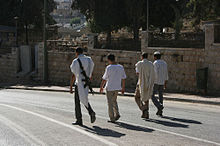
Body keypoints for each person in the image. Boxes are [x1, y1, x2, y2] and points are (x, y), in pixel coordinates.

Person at [70, 48, 96, 126]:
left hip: (79, 83)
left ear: (76, 53)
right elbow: (91, 71)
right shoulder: (89, 60)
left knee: (78, 101)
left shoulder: (75, 61)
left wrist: (71, 86)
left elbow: (74, 74)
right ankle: (90, 112)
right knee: (84, 98)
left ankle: (79, 119)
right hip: (86, 82)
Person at [100, 54, 126, 123]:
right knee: (114, 101)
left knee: (110, 103)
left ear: (109, 60)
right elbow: (123, 78)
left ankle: (112, 118)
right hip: (117, 87)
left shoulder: (109, 67)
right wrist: (123, 88)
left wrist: (101, 87)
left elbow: (104, 78)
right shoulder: (121, 67)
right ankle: (117, 114)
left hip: (110, 87)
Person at [135, 53, 155, 119]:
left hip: (140, 83)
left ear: (142, 57)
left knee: (137, 97)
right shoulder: (151, 64)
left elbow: (137, 73)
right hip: (149, 83)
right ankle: (146, 113)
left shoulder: (139, 64)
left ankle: (143, 109)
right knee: (146, 98)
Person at [152, 51, 168, 117]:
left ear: (155, 57)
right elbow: (166, 73)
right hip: (162, 81)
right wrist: (165, 82)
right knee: (160, 96)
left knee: (152, 95)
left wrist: (152, 81)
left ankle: (159, 106)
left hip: (156, 81)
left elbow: (154, 73)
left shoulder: (155, 63)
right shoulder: (164, 63)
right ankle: (160, 111)